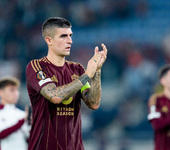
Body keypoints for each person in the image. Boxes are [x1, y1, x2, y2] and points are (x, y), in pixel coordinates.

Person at [26, 17, 107, 150]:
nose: (70, 41)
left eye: (70, 36)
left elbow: (93, 103)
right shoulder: (36, 66)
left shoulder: (77, 69)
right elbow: (55, 96)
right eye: (63, 36)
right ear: (49, 40)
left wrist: (96, 72)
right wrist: (87, 75)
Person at [0, 77, 29, 150]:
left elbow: (29, 138)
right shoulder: (23, 117)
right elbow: (1, 134)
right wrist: (22, 121)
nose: (16, 93)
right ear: (1, 92)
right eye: (12, 90)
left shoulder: (22, 113)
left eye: (17, 90)